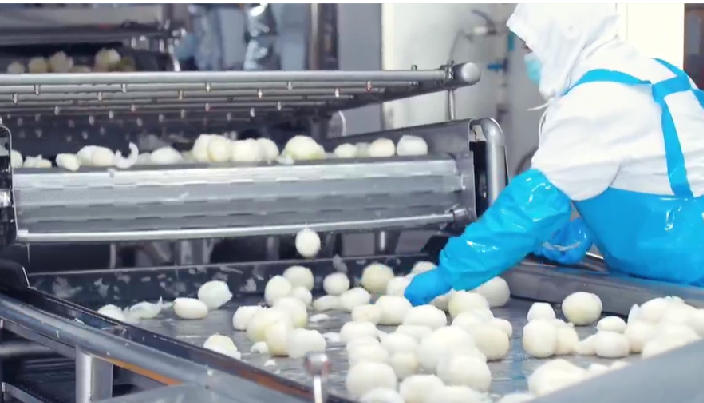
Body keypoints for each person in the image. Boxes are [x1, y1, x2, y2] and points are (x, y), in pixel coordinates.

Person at [405, 3, 704, 306]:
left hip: (685, 266)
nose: (527, 59)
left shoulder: (595, 100)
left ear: (563, 36)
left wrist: (450, 273)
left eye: (530, 47)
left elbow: (530, 208)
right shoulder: (655, 71)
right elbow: (659, 172)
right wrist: (597, 228)